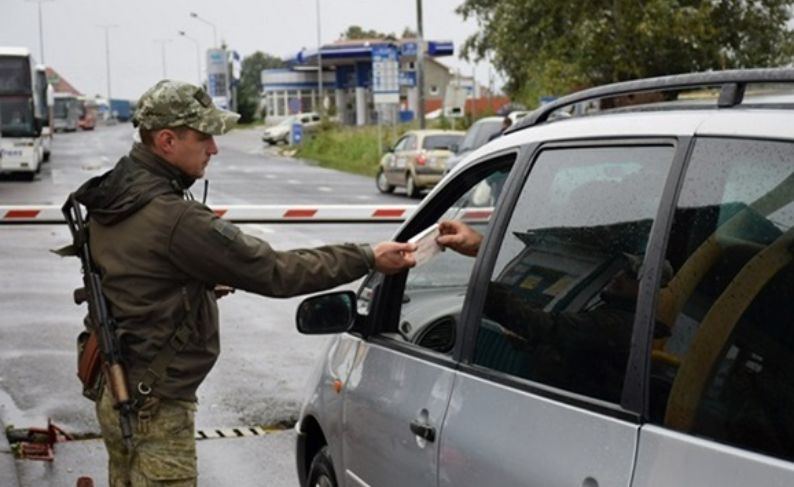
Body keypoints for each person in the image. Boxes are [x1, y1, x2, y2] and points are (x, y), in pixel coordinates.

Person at [71, 80, 416, 486]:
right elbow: (278, 270)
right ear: (166, 140)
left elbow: (134, 277)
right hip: (154, 406)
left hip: (114, 388)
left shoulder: (113, 195)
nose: (213, 149)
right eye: (204, 137)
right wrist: (368, 256)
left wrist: (193, 286)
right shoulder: (175, 219)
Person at [436, 219, 671, 401]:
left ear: (649, 291)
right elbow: (573, 351)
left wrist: (483, 263)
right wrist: (530, 344)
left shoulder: (616, 324)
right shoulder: (617, 317)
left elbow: (546, 327)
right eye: (623, 268)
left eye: (631, 275)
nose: (619, 275)